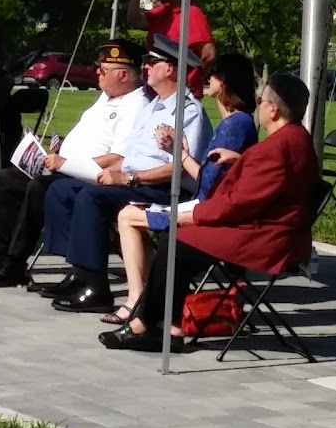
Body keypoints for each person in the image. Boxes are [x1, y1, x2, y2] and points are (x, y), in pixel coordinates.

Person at [99, 72, 318, 353]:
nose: (258, 105)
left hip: (265, 236)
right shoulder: (298, 138)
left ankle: (146, 323)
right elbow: (275, 179)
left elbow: (236, 204)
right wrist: (242, 160)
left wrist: (188, 215)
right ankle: (169, 325)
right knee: (178, 241)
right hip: (275, 227)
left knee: (175, 239)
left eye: (261, 101)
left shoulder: (275, 148)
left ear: (273, 111)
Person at [39, 34, 214, 313]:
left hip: (164, 189)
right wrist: (97, 171)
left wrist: (128, 179)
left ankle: (96, 287)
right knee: (62, 189)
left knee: (92, 198)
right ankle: (80, 272)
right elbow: (127, 157)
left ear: (170, 69)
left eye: (152, 63)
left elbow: (180, 167)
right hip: (133, 181)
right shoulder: (154, 106)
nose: (145, 67)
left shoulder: (188, 111)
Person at [0, 39, 151, 288]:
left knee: (38, 188)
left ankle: (15, 263)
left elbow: (118, 158)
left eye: (103, 70)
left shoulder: (136, 106)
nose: (97, 73)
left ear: (123, 75)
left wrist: (67, 162)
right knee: (7, 179)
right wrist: (60, 152)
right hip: (64, 167)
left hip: (88, 175)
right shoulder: (106, 97)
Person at [105, 52, 257, 325]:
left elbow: (209, 185)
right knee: (128, 214)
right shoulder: (236, 123)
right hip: (208, 203)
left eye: (213, 75)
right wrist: (180, 151)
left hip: (207, 209)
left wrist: (178, 152)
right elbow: (209, 179)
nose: (208, 80)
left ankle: (136, 300)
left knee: (127, 216)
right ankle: (146, 296)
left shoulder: (235, 125)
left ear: (223, 82)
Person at [126, 0, 215, 99]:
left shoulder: (191, 13)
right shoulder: (164, 10)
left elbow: (208, 54)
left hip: (178, 94)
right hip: (156, 92)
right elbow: (135, 20)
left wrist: (188, 78)